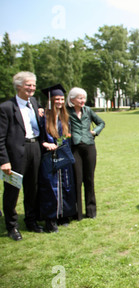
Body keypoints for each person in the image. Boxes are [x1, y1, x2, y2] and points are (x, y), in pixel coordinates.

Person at [0, 71, 44, 240]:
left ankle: (31, 220)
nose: (32, 88)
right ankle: (12, 226)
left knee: (32, 188)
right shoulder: (6, 108)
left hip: (35, 149)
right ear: (18, 86)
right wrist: (4, 161)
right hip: (16, 154)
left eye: (33, 85)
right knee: (12, 190)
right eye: (28, 85)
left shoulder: (33, 102)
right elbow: (1, 137)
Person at [38, 84, 76, 232]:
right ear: (51, 100)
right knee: (50, 187)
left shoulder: (65, 117)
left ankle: (63, 215)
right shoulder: (43, 117)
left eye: (61, 99)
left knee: (66, 184)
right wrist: (45, 143)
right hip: (49, 157)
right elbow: (38, 137)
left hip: (63, 156)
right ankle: (50, 219)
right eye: (57, 99)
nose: (59, 102)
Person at [66, 87, 105, 220]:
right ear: (72, 99)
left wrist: (95, 132)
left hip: (89, 147)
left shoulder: (88, 111)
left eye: (84, 98)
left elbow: (101, 122)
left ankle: (91, 211)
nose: (82, 100)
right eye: (79, 98)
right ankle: (77, 213)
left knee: (89, 179)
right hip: (74, 148)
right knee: (76, 180)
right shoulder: (66, 111)